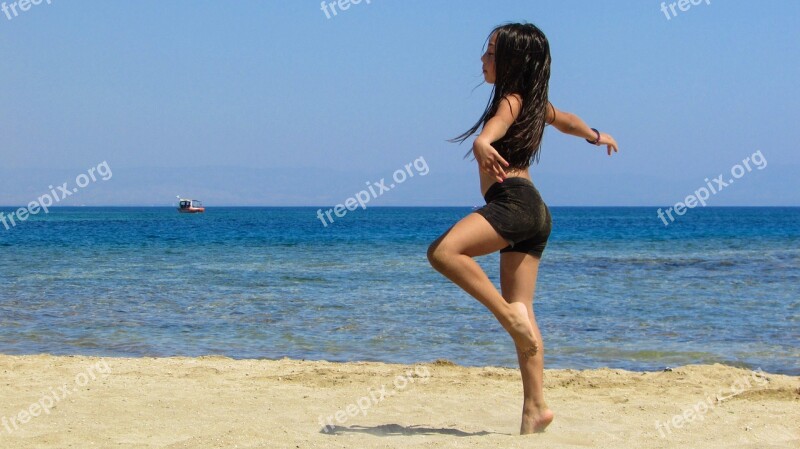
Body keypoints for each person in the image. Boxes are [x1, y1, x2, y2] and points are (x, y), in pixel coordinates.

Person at [426, 22, 619, 435]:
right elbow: (567, 121)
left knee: (443, 252)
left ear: (512, 61)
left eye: (491, 52)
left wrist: (482, 142)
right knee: (526, 310)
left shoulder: (512, 100)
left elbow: (494, 127)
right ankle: (536, 407)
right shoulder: (537, 103)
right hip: (536, 212)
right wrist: (596, 135)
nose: (482, 59)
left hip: (514, 202)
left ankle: (506, 317)